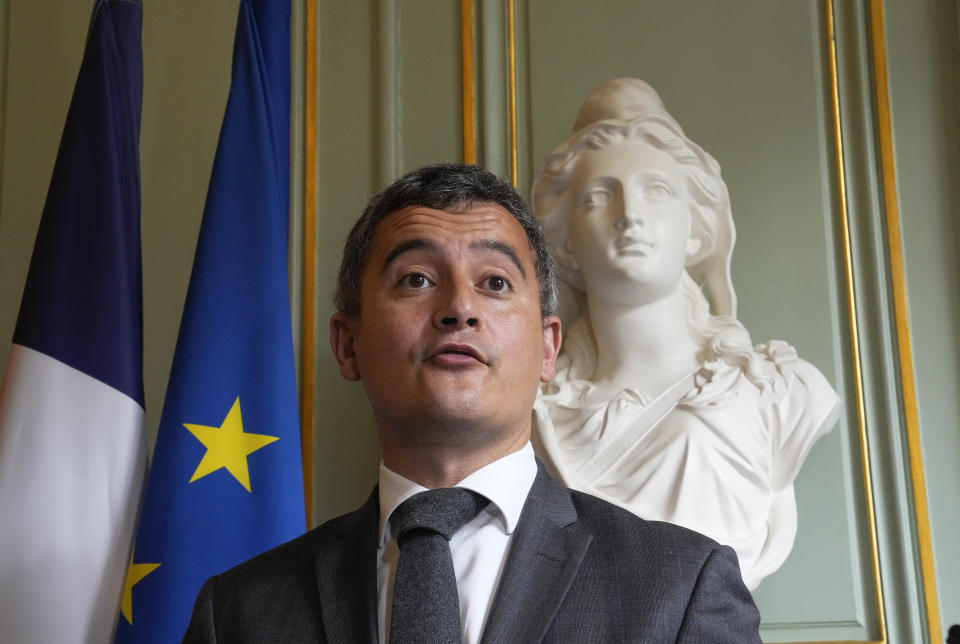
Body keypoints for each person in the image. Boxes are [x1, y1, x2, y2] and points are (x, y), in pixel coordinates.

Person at [182, 163, 762, 642]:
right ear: (348, 345)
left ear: (546, 348)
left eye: (496, 283)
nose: (460, 307)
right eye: (415, 279)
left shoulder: (682, 587)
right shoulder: (236, 613)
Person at [531, 78, 841, 589]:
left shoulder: (780, 391)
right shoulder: (530, 412)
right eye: (597, 198)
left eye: (657, 191)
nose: (630, 216)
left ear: (696, 228)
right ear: (564, 244)